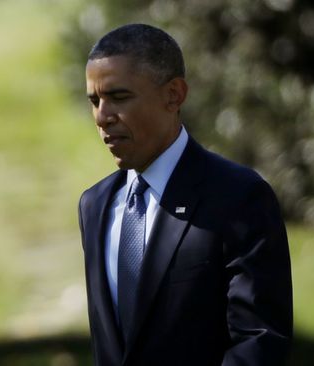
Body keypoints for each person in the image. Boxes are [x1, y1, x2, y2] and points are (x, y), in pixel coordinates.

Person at [78, 23, 293, 366]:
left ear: (174, 95)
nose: (102, 116)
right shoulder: (95, 205)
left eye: (118, 97)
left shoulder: (239, 197)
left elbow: (260, 341)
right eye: (94, 100)